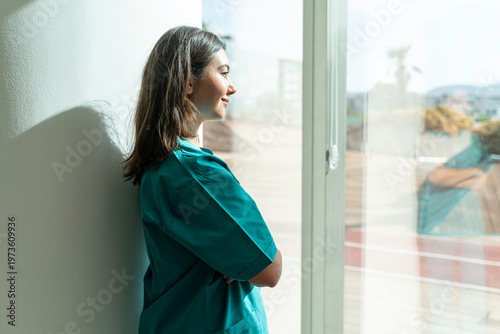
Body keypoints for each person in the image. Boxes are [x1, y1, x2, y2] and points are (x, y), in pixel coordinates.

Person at [122, 25, 282, 333]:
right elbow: (270, 269)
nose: (231, 87)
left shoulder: (164, 165)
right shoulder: (198, 174)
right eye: (223, 73)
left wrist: (234, 258)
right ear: (187, 83)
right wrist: (241, 260)